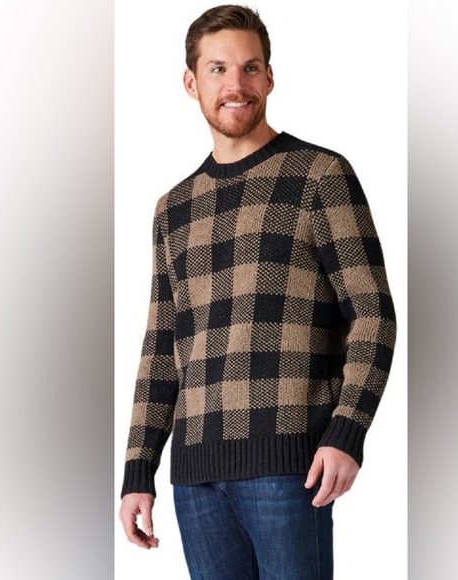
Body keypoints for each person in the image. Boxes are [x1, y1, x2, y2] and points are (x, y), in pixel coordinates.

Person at [119, 4, 397, 579]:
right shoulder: (173, 208)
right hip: (196, 480)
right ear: (191, 82)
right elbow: (161, 347)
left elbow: (372, 313)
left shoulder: (318, 176)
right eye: (218, 69)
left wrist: (348, 430)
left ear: (269, 77)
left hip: (289, 466)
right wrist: (138, 471)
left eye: (250, 68)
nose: (236, 85)